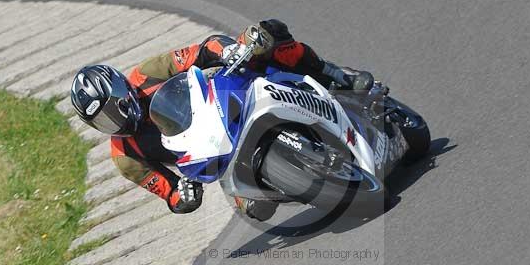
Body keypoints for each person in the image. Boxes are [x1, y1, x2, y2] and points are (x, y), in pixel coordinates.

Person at [70, 19, 372, 220]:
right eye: (102, 123)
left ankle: (334, 74)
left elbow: (201, 50)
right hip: (216, 158)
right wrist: (183, 197)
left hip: (224, 102)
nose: (114, 123)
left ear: (123, 90)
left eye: (113, 111)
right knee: (256, 208)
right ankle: (301, 174)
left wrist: (228, 50)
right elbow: (169, 192)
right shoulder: (125, 157)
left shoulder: (147, 74)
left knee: (264, 35)